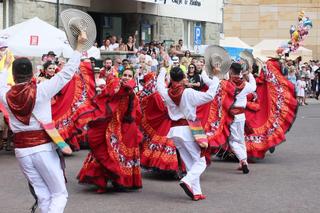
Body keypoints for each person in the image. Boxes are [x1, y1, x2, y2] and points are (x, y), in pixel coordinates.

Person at [0, 32, 86, 213]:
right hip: (43, 149)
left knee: (44, 196)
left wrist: (5, 67)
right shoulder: (42, 90)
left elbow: (0, 83)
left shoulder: (5, 95)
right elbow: (67, 73)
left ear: (14, 75)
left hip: (21, 151)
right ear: (32, 73)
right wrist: (78, 47)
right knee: (59, 194)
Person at [156, 65, 220, 201]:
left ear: (171, 78)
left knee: (191, 162)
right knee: (201, 161)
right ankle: (187, 180)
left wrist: (162, 70)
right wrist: (215, 77)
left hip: (174, 132)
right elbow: (210, 95)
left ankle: (196, 192)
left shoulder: (167, 93)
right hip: (188, 130)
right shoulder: (189, 92)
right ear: (184, 78)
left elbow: (159, 85)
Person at [78, 68, 143, 192]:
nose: (127, 77)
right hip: (110, 126)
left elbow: (137, 112)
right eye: (125, 75)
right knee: (107, 152)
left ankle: (121, 181)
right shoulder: (115, 87)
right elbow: (105, 98)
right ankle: (102, 180)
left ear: (133, 78)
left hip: (127, 128)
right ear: (120, 75)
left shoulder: (133, 94)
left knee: (123, 155)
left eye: (130, 76)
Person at [228, 62, 256, 174]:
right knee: (240, 139)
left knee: (232, 141)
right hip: (241, 115)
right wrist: (250, 74)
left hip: (231, 116)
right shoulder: (246, 85)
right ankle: (243, 162)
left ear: (230, 70)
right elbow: (254, 86)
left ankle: (243, 159)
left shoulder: (227, 84)